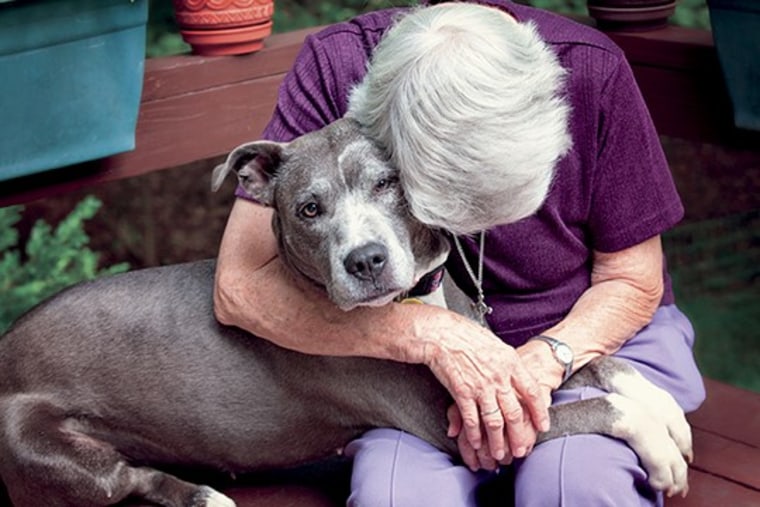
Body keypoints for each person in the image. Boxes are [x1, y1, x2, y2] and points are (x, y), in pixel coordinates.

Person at [213, 1, 706, 505]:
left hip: (594, 338)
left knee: (573, 486)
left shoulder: (590, 70)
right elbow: (240, 286)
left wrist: (539, 364)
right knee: (396, 497)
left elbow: (632, 280)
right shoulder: (335, 67)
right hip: (413, 372)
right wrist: (433, 336)